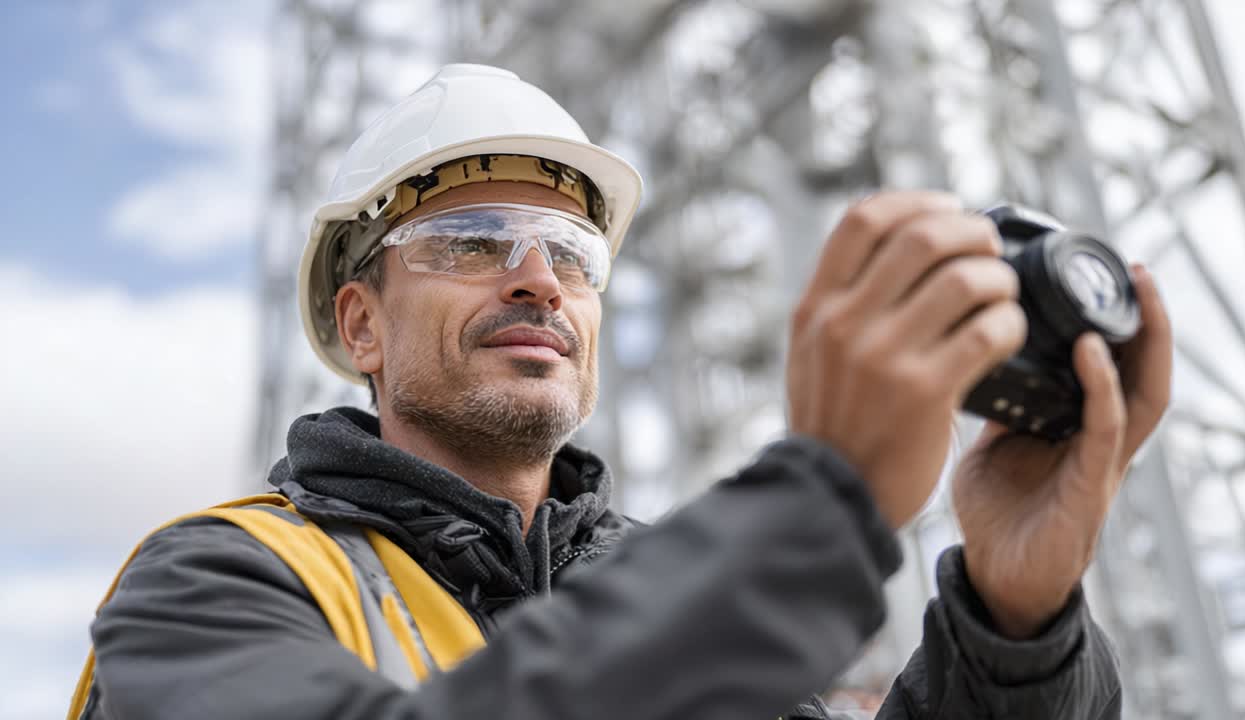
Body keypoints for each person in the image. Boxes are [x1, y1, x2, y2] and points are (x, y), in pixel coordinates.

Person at [69, 63, 1171, 719]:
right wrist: (817, 506)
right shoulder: (210, 584)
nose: (536, 278)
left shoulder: (668, 588)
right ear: (360, 322)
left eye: (571, 254)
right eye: (468, 241)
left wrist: (1011, 619)